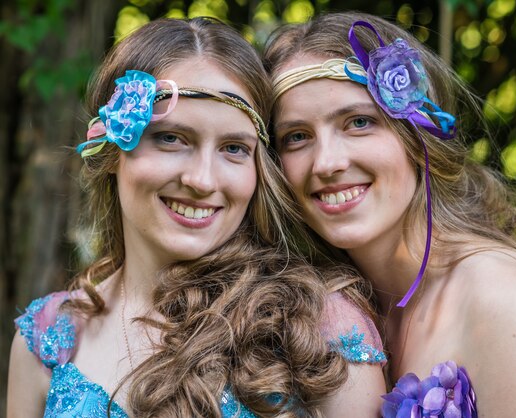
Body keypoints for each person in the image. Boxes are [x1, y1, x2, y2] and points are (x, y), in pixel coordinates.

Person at [7, 17, 387, 418]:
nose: (203, 180)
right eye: (171, 138)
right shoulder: (48, 338)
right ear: (110, 148)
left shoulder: (321, 327)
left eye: (233, 148)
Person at [264, 11, 516, 417]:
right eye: (297, 137)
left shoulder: (499, 292)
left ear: (418, 133)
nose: (327, 162)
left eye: (358, 122)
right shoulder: (323, 303)